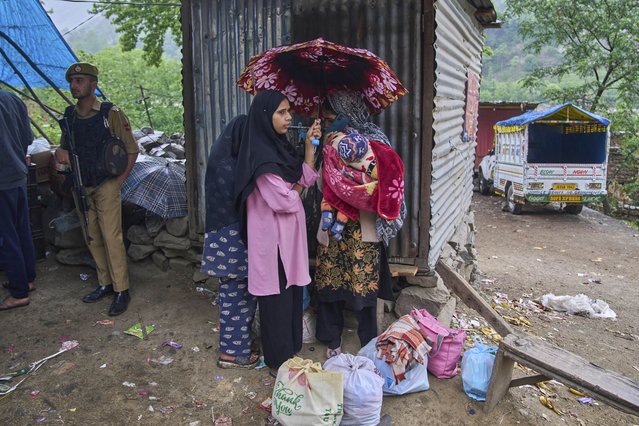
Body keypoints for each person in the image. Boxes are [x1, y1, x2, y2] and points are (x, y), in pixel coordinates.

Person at [234, 89, 320, 373]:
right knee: (276, 301)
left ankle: (291, 350)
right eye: (281, 112)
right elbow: (284, 200)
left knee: (293, 293)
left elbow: (305, 177)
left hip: (290, 239)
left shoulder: (281, 149)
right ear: (264, 116)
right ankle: (277, 361)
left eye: (288, 111)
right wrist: (298, 185)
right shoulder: (261, 157)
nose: (288, 117)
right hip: (271, 243)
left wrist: (309, 149)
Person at [314, 90, 406, 358]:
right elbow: (319, 182)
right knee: (330, 279)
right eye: (327, 118)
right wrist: (325, 152)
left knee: (363, 282)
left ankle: (368, 341)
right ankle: (332, 338)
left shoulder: (375, 138)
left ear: (348, 113)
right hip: (333, 224)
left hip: (363, 227)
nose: (330, 123)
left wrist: (354, 184)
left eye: (333, 117)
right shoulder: (329, 140)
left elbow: (388, 179)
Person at [54, 62, 138, 316]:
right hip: (82, 184)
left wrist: (118, 182)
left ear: (93, 84)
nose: (74, 86)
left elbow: (131, 150)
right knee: (92, 236)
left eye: (80, 81)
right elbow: (64, 149)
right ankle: (105, 284)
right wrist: (61, 155)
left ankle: (122, 290)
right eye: (72, 81)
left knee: (112, 237)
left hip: (106, 184)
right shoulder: (69, 116)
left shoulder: (109, 113)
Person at [201, 114, 259, 369]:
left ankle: (237, 346)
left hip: (220, 237)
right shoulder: (234, 168)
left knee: (233, 294)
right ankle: (233, 353)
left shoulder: (221, 159)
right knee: (237, 296)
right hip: (232, 239)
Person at [0, 89, 36, 311]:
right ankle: (27, 278)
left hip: (2, 179)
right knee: (22, 229)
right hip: (18, 173)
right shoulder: (12, 98)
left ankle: (19, 292)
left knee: (6, 236)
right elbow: (28, 138)